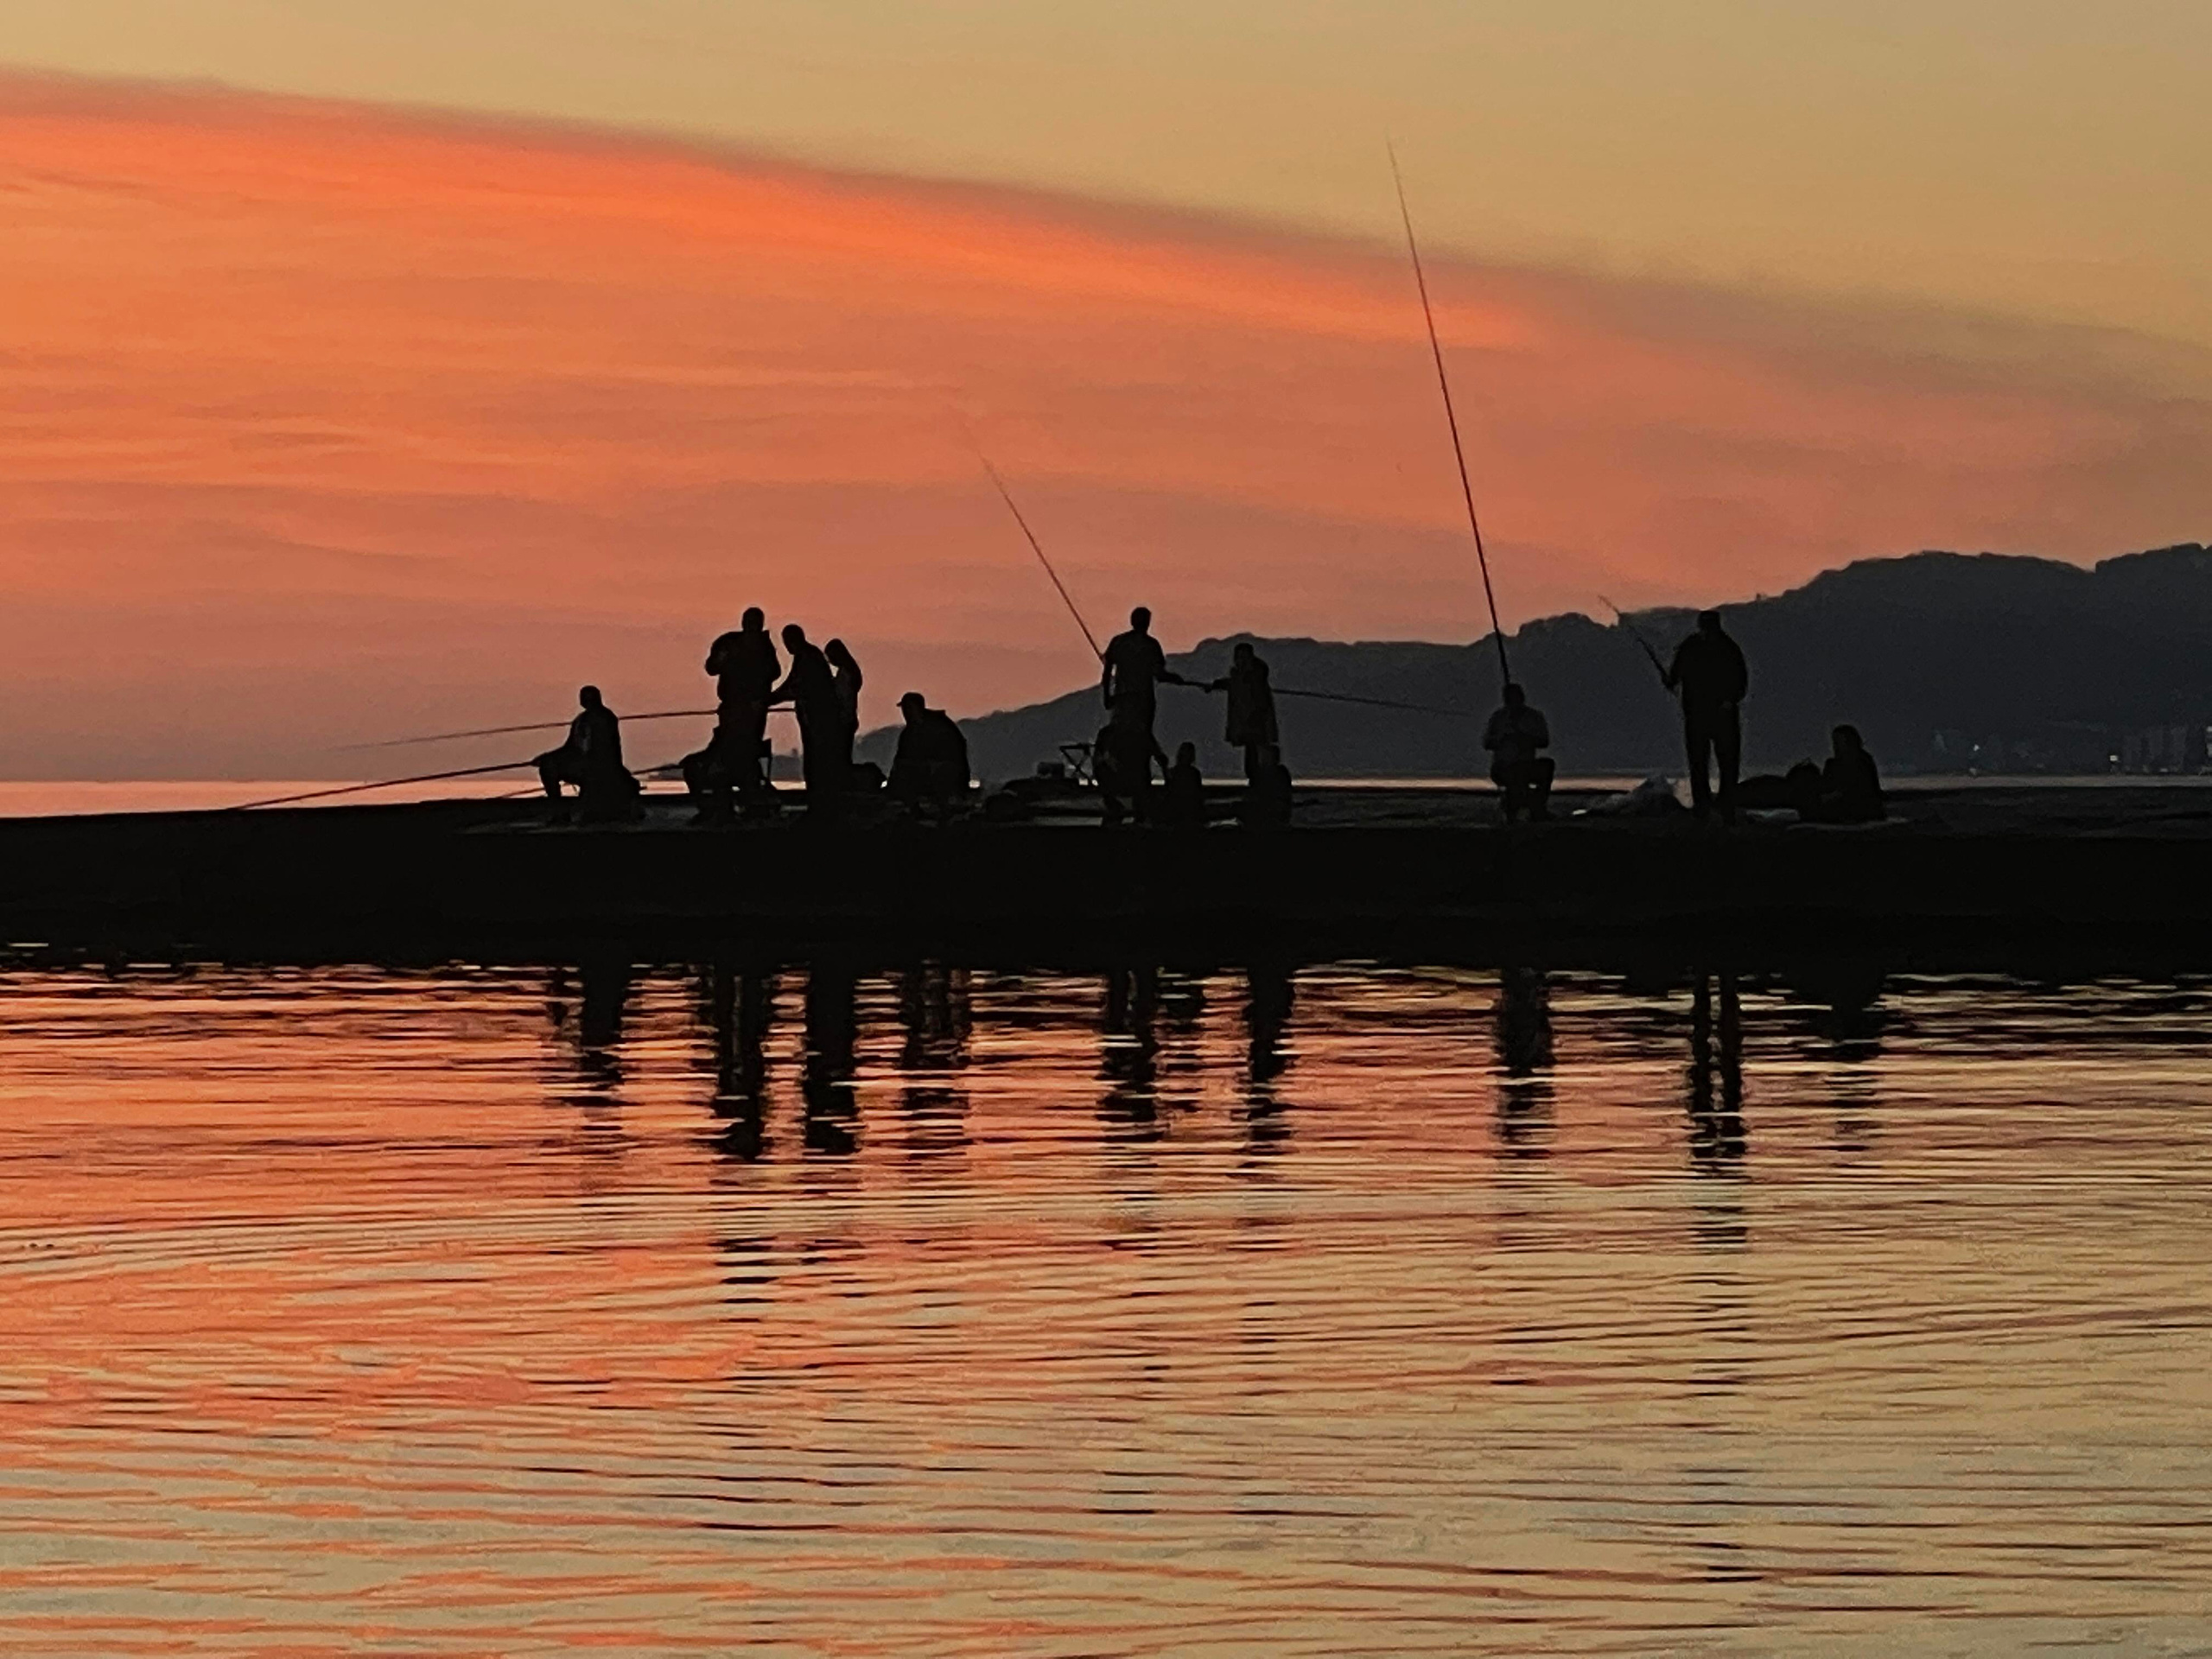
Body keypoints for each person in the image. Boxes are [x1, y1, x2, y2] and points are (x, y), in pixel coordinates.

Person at [683, 607, 779, 822]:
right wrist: (724, 660)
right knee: (733, 752)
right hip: (733, 707)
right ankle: (727, 804)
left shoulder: (763, 646)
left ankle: (742, 802)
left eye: (756, 623)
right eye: (749, 622)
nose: (753, 626)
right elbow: (711, 667)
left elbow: (774, 672)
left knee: (743, 753)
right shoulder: (728, 642)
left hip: (752, 711)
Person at [1664, 609, 1749, 822]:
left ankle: (1712, 806)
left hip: (1704, 714)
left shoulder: (1691, 646)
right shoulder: (1729, 647)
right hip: (1712, 715)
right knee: (1718, 763)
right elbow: (1741, 682)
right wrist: (1731, 701)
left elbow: (1673, 679)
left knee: (1707, 762)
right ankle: (1716, 806)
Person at [768, 623, 842, 815]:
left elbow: (797, 687)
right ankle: (819, 804)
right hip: (813, 720)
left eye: (787, 642)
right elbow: (791, 684)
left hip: (819, 721)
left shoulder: (808, 658)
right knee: (814, 761)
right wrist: (772, 698)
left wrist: (770, 699)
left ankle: (821, 805)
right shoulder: (805, 657)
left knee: (817, 762)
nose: (787, 647)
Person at [535, 685, 639, 819]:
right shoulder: (580, 720)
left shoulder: (606, 718)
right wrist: (546, 757)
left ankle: (567, 809)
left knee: (552, 767)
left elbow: (603, 750)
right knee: (547, 766)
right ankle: (558, 809)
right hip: (582, 764)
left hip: (598, 767)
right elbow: (569, 747)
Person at [887, 691, 970, 816]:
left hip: (943, 775)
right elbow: (901, 759)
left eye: (909, 708)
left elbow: (952, 754)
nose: (905, 713)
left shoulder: (939, 726)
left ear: (918, 708)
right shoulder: (910, 733)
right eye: (904, 709)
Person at [1207, 641, 1280, 784]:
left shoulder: (1255, 677)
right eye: (1238, 657)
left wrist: (1255, 715)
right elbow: (1234, 684)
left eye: (1242, 657)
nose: (1239, 660)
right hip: (1247, 721)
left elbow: (1258, 698)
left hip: (1255, 721)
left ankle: (1259, 781)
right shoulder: (1242, 676)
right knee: (1252, 752)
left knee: (1256, 752)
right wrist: (1217, 684)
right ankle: (1257, 781)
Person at [1482, 682, 1554, 822]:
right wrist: (1502, 738)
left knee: (1547, 766)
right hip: (1504, 766)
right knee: (1515, 775)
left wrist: (1525, 737)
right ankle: (1520, 807)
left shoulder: (1535, 717)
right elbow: (1487, 743)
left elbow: (1544, 741)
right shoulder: (1498, 718)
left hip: (1527, 764)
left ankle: (1537, 807)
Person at [1818, 724, 1885, 823]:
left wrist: (1835, 795)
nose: (1834, 746)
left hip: (1860, 808)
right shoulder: (1834, 764)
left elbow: (1860, 788)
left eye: (1838, 742)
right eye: (1834, 742)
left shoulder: (1862, 761)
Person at [823, 638, 864, 793]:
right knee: (844, 754)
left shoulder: (845, 673)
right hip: (849, 718)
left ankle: (842, 787)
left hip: (844, 719)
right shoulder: (851, 672)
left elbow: (840, 695)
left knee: (841, 754)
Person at [1159, 741, 1206, 830]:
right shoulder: (1194, 773)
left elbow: (1169, 789)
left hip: (1176, 810)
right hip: (1189, 811)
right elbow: (1198, 794)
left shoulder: (1173, 772)